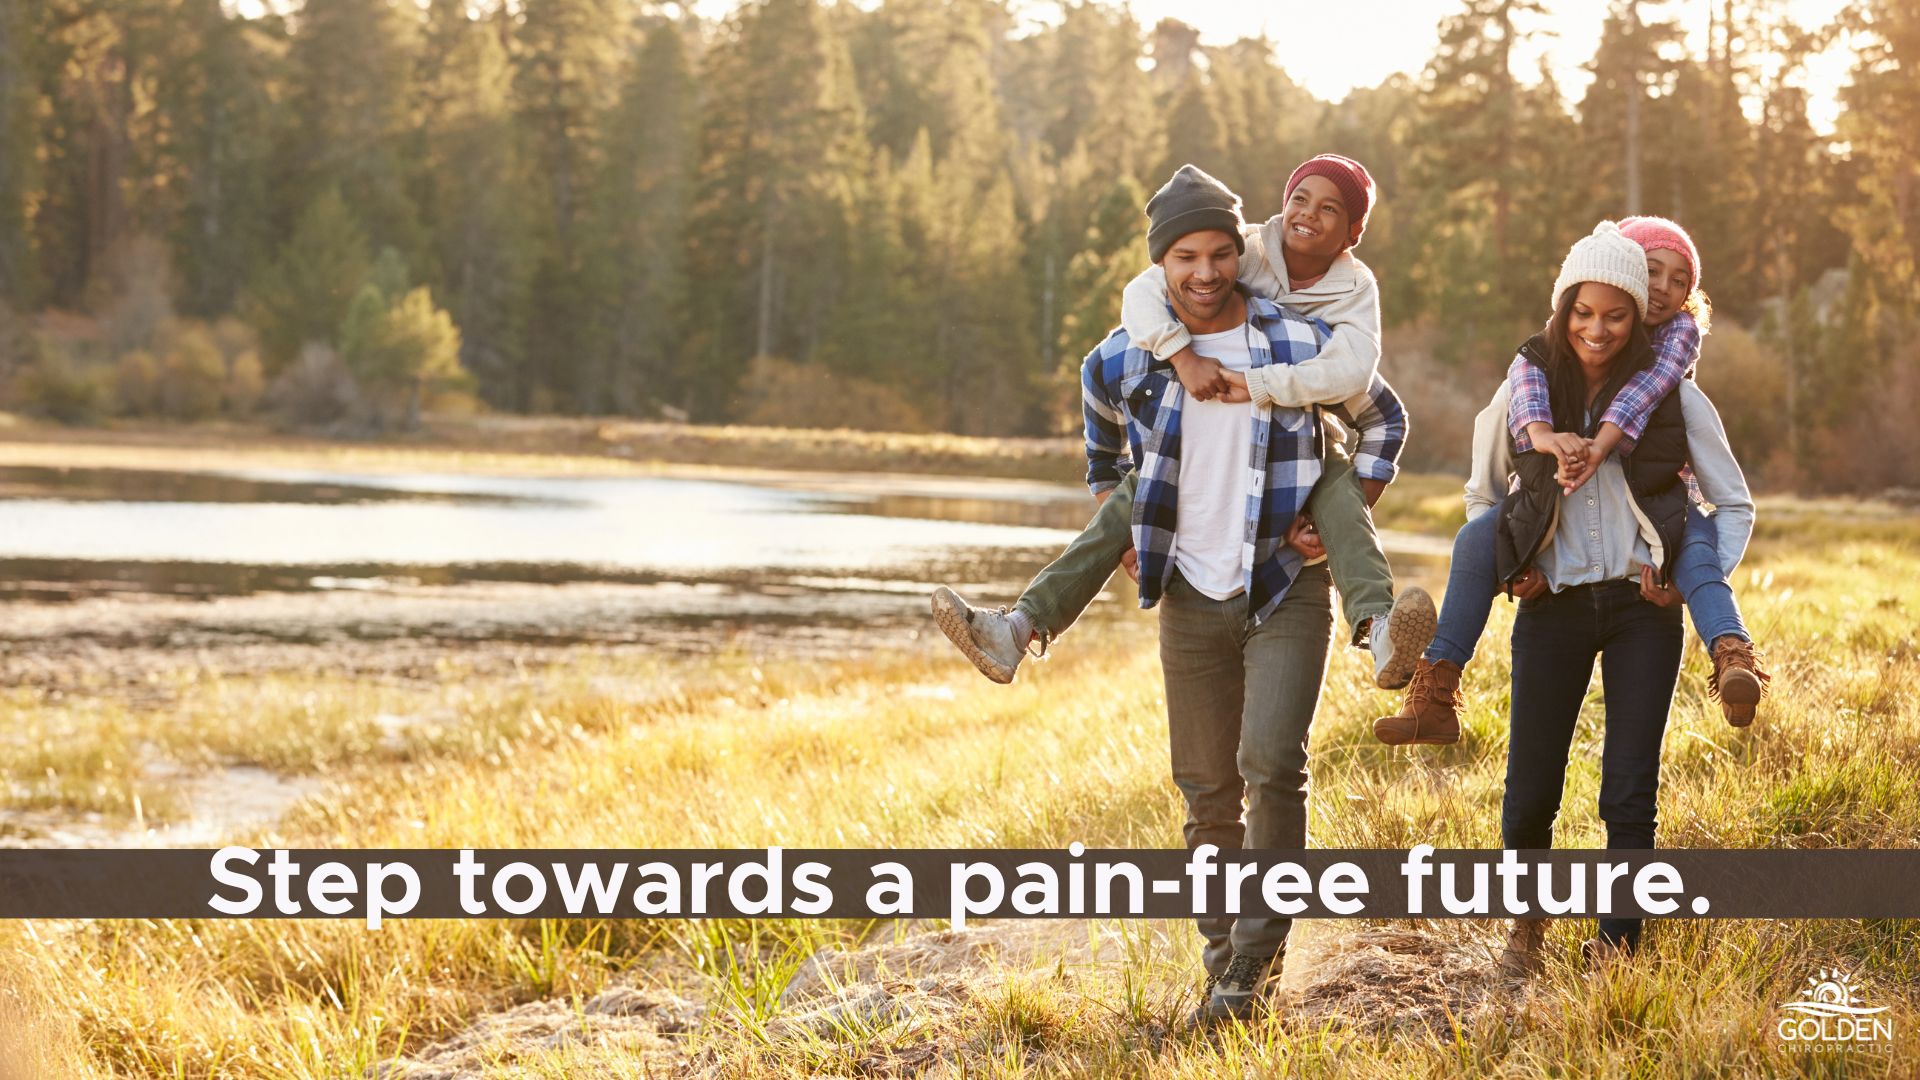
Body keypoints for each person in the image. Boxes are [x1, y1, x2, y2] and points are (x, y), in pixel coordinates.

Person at [989, 166, 1409, 1023]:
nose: (1208, 272)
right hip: (1187, 592)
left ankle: (1253, 966)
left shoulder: (1295, 342)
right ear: (1161, 267)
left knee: (1271, 769)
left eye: (1222, 254)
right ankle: (1225, 967)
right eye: (1187, 257)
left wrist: (1345, 506)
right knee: (1207, 793)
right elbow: (1100, 431)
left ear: (1239, 256)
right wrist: (1121, 529)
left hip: (1284, 584)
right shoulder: (1126, 353)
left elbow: (1383, 413)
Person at [930, 155, 1434, 692]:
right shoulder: (1246, 251)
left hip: (1306, 439)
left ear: (1354, 232)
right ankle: (1018, 628)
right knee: (1135, 494)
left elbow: (1361, 377)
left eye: (1330, 208)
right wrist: (1180, 356)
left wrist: (1326, 508)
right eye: (1299, 199)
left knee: (1338, 491)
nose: (1207, 270)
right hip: (1195, 444)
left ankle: (1379, 628)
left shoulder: (1353, 293)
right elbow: (1143, 293)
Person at [1453, 222, 1754, 973]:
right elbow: (1482, 494)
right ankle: (1526, 930)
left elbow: (1734, 505)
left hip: (1638, 612)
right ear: (1569, 308)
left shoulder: (1677, 399)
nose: (1600, 326)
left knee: (1628, 792)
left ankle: (1618, 945)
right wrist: (1515, 563)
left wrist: (1685, 580)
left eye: (1618, 313)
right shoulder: (1528, 391)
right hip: (1552, 606)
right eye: (1588, 311)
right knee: (1530, 787)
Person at [1376, 215, 1769, 746]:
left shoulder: (1672, 368)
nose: (1664, 290)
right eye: (1652, 273)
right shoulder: (1533, 368)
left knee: (1698, 550)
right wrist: (1518, 559)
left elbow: (1653, 401)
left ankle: (1732, 655)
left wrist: (1601, 446)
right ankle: (1437, 687)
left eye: (1680, 281)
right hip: (1554, 578)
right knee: (1474, 539)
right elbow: (1488, 479)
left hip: (1657, 530)